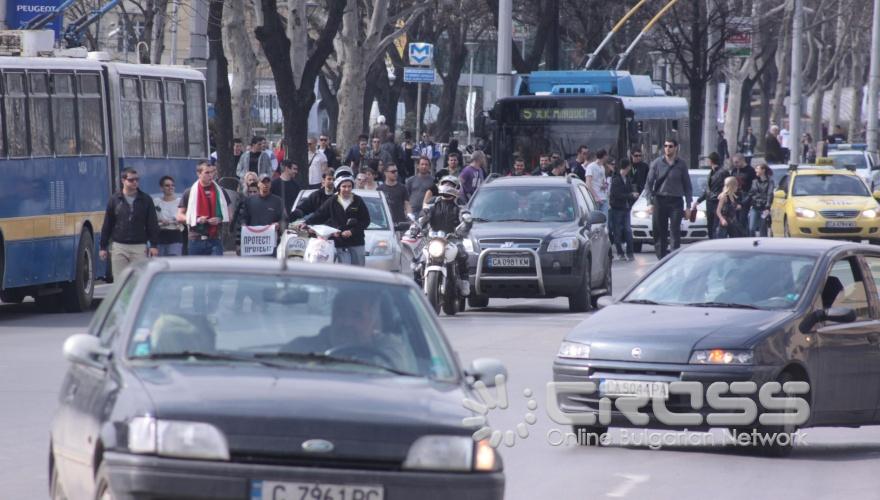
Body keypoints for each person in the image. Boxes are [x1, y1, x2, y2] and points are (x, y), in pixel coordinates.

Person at [281, 289, 418, 373]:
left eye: (357, 315)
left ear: (373, 322)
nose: (346, 322)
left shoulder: (390, 349)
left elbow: (395, 376)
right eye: (340, 313)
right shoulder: (301, 348)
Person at [99, 168, 160, 274]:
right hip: (119, 246)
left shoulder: (146, 199)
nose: (135, 182)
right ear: (123, 181)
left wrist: (153, 245)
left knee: (138, 280)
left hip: (139, 247)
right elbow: (107, 224)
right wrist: (103, 247)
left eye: (137, 179)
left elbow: (152, 223)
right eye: (131, 180)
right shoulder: (115, 199)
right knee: (119, 282)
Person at [419, 178, 471, 296]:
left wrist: (464, 226)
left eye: (450, 184)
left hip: (452, 237)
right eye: (445, 184)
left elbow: (466, 216)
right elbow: (424, 214)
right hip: (433, 237)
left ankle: (464, 281)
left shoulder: (459, 202)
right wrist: (418, 224)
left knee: (462, 254)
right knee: (419, 258)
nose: (447, 186)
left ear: (456, 187)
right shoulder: (433, 201)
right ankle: (417, 285)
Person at [303, 176, 371, 266]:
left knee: (358, 271)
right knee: (343, 271)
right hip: (339, 243)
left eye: (349, 186)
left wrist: (352, 231)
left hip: (357, 242)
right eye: (344, 186)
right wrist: (306, 223)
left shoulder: (358, 200)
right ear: (339, 187)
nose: (347, 189)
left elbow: (366, 221)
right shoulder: (332, 201)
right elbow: (319, 215)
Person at [644, 139, 693, 259]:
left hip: (676, 201)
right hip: (660, 200)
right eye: (665, 146)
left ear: (676, 148)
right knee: (659, 230)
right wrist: (649, 202)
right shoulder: (656, 163)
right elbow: (648, 184)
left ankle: (674, 257)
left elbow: (687, 186)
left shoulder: (681, 164)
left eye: (670, 146)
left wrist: (688, 207)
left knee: (675, 230)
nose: (667, 148)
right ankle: (661, 258)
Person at [177, 162, 232, 256]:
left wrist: (219, 219)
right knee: (196, 270)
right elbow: (179, 216)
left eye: (212, 172)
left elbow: (230, 215)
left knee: (215, 270)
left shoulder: (221, 192)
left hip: (215, 240)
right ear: (198, 174)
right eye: (207, 173)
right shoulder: (189, 192)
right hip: (195, 240)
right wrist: (196, 219)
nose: (210, 175)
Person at [237, 174, 287, 255]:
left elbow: (284, 220)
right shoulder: (249, 201)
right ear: (258, 184)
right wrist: (239, 243)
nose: (265, 184)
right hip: (253, 245)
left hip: (271, 245)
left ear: (271, 184)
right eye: (263, 182)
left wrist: (279, 224)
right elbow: (242, 219)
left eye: (268, 182)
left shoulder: (278, 201)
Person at [609, 159, 639, 260]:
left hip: (626, 208)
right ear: (627, 167)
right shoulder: (616, 179)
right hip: (617, 209)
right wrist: (630, 195)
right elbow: (616, 195)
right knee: (617, 231)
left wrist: (633, 194)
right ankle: (620, 252)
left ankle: (630, 252)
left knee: (628, 230)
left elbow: (630, 190)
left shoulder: (628, 178)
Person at [694, 152, 728, 239]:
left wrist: (722, 195)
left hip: (717, 202)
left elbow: (727, 186)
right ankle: (712, 241)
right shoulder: (711, 172)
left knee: (715, 227)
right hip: (709, 202)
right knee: (710, 226)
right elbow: (708, 190)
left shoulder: (723, 172)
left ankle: (716, 243)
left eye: (708, 160)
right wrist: (699, 201)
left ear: (711, 161)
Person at [154, 175, 185, 256]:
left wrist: (178, 221)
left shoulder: (180, 202)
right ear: (161, 188)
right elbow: (151, 220)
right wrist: (160, 222)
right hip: (160, 236)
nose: (170, 187)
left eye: (172, 185)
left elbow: (185, 218)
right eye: (167, 185)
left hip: (175, 235)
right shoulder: (156, 202)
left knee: (174, 263)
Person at [747, 162, 775, 237]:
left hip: (764, 208)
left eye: (757, 168)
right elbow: (751, 193)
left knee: (763, 229)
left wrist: (767, 206)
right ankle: (751, 243)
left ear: (763, 170)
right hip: (755, 207)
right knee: (751, 228)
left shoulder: (770, 182)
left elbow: (770, 194)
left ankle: (763, 245)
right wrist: (743, 202)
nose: (755, 170)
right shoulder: (754, 182)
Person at [730, 154, 756, 228]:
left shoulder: (750, 171)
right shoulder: (734, 170)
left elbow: (753, 187)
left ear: (742, 160)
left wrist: (745, 202)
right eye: (734, 162)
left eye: (737, 162)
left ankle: (744, 235)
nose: (735, 164)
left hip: (746, 197)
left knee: (743, 218)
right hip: (735, 197)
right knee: (735, 220)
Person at [585, 149, 609, 214]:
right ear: (604, 156)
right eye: (607, 156)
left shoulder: (602, 167)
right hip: (595, 199)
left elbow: (603, 181)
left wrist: (605, 185)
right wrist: (595, 196)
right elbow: (588, 183)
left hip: (604, 197)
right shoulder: (591, 167)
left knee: (604, 220)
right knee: (596, 221)